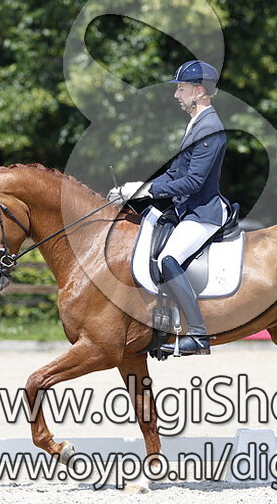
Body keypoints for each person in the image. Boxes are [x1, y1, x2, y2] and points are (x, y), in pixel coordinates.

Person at [108, 60, 230, 356]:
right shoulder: (196, 124)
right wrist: (138, 189)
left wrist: (149, 191)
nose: (177, 95)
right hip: (186, 210)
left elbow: (193, 182)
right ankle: (162, 325)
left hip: (203, 212)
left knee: (168, 258)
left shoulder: (210, 127)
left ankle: (198, 335)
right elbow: (175, 172)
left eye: (182, 89)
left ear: (199, 91)